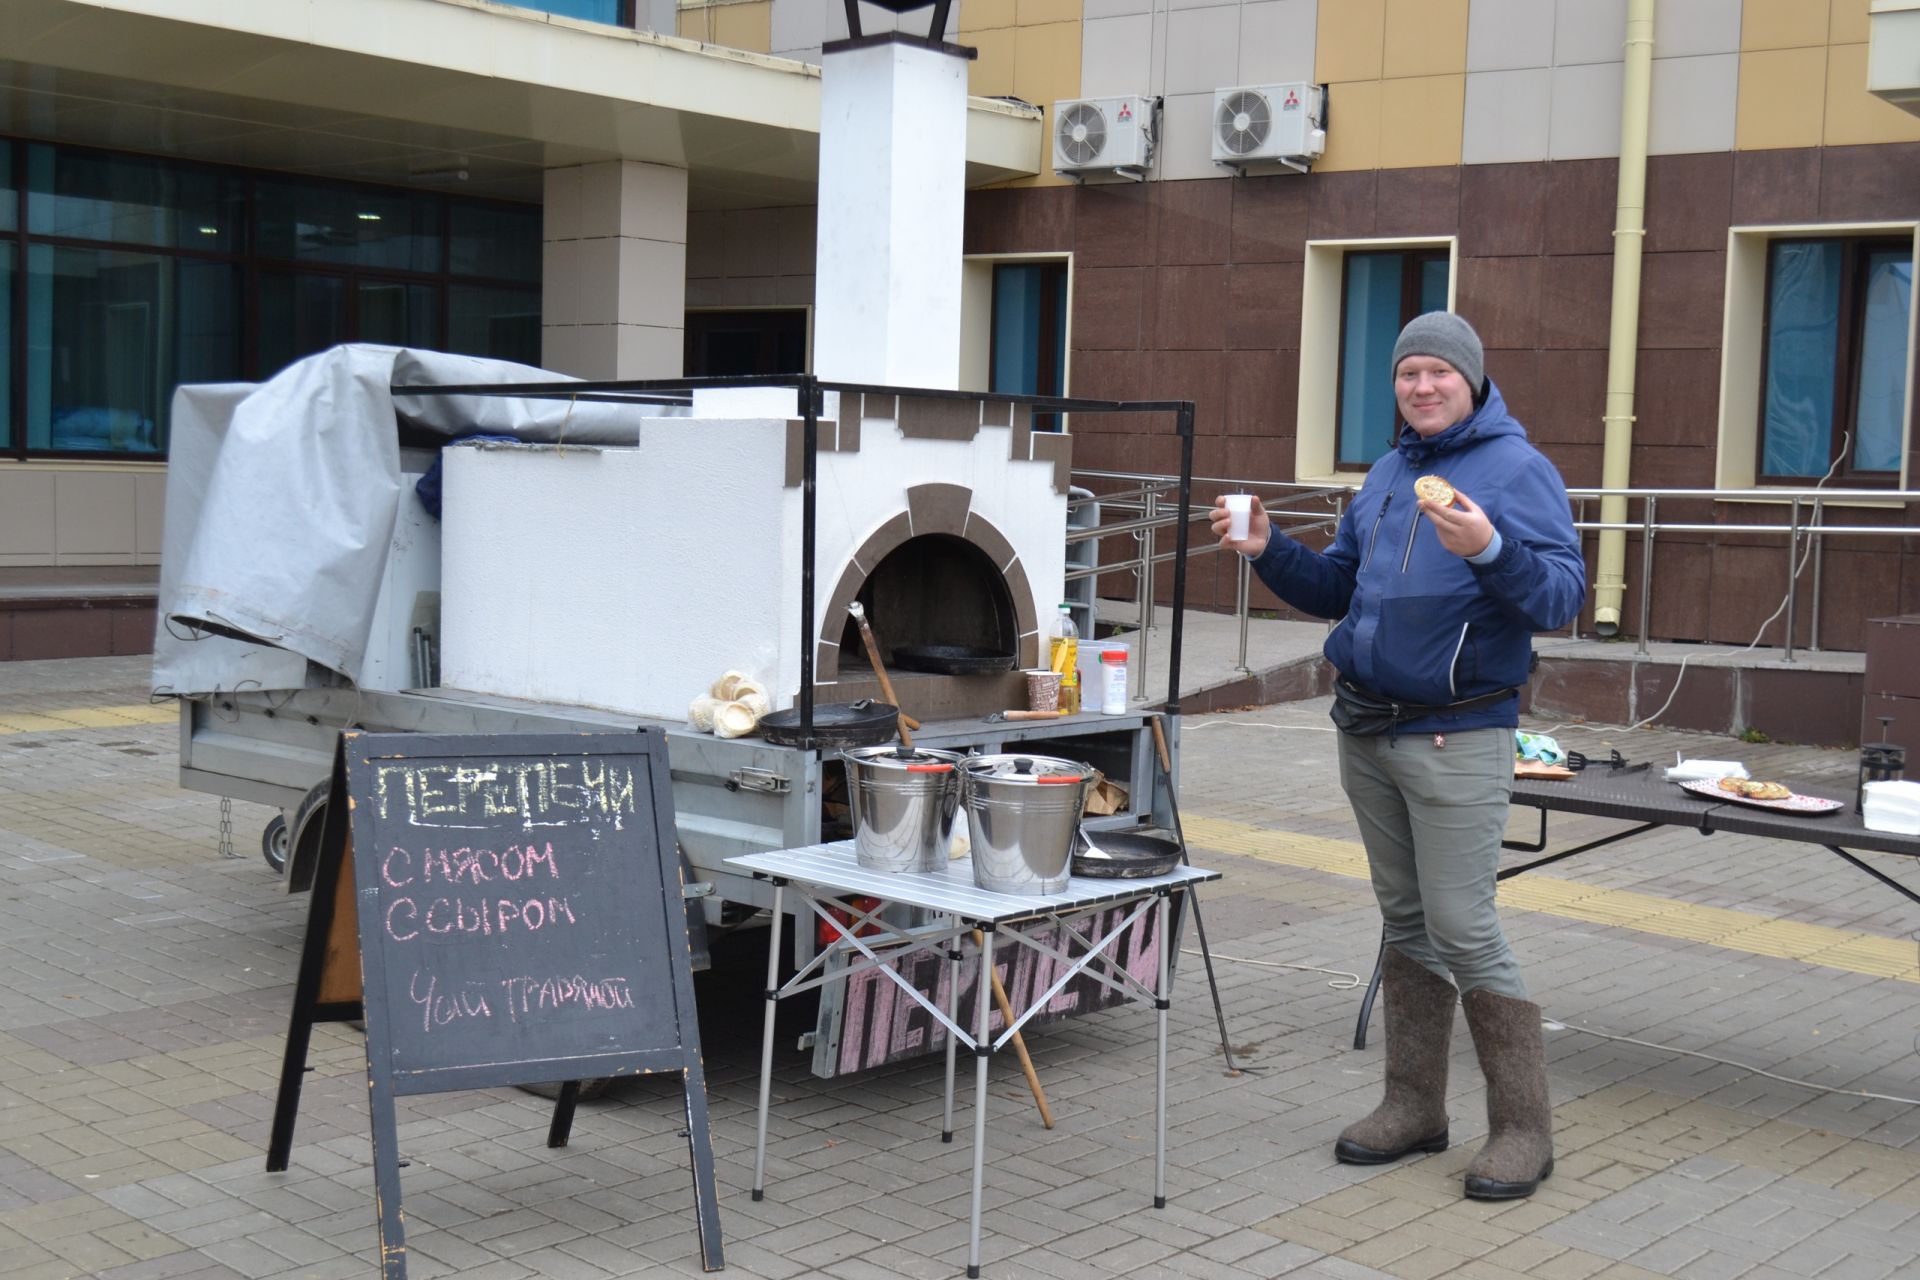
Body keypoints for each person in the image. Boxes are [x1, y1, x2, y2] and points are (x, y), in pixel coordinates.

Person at [1210, 312, 1584, 1200]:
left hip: (1460, 732)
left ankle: (1525, 1130)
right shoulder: (1386, 474)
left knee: (1464, 924)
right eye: (1408, 373)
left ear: (1473, 380)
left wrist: (1488, 548)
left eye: (1438, 374)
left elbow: (1561, 595)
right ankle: (1414, 1106)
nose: (1422, 387)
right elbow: (1340, 587)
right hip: (1368, 730)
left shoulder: (1517, 471)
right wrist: (1270, 550)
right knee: (1407, 922)